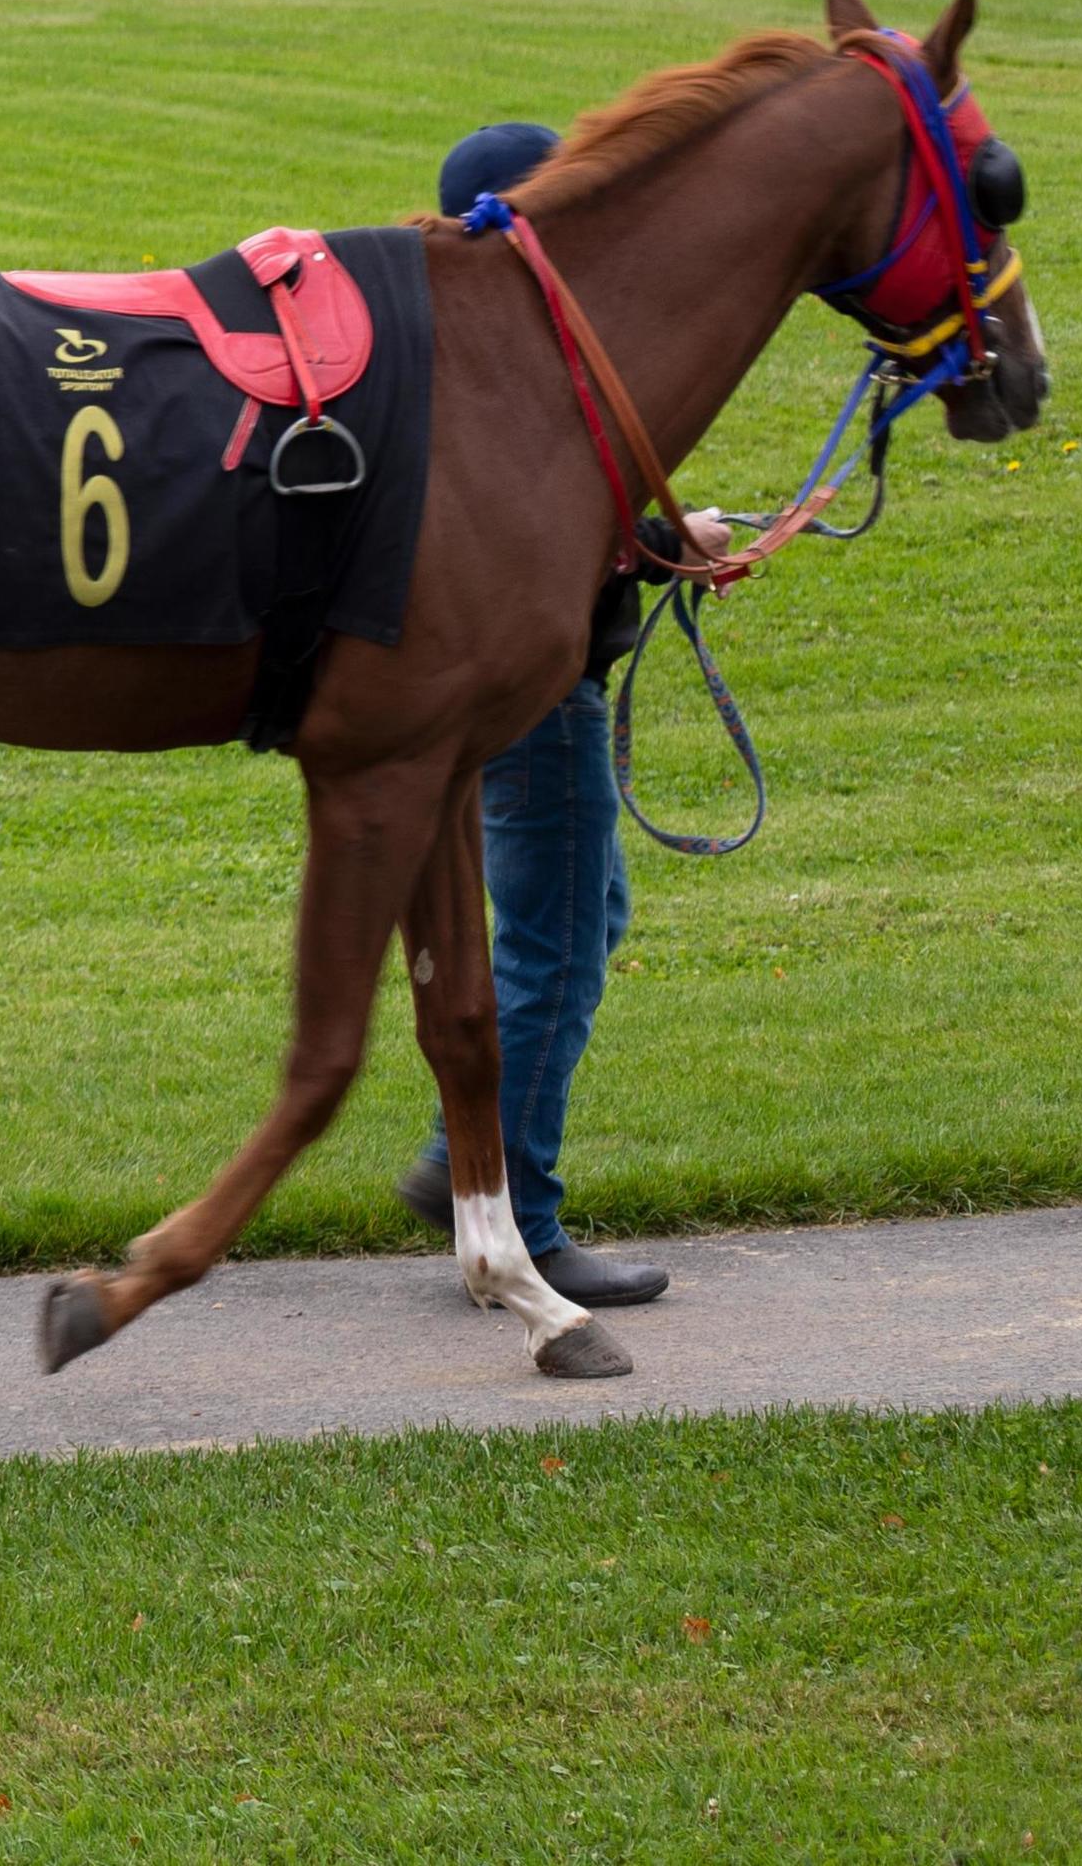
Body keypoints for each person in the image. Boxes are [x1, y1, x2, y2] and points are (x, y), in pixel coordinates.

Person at [396, 120, 676, 1307]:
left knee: (583, 917)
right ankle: (518, 1212)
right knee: (552, 943)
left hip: (514, 687)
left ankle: (460, 1159)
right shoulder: (527, 364)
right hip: (539, 697)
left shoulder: (464, 348)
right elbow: (544, 533)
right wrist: (663, 540)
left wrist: (661, 536)